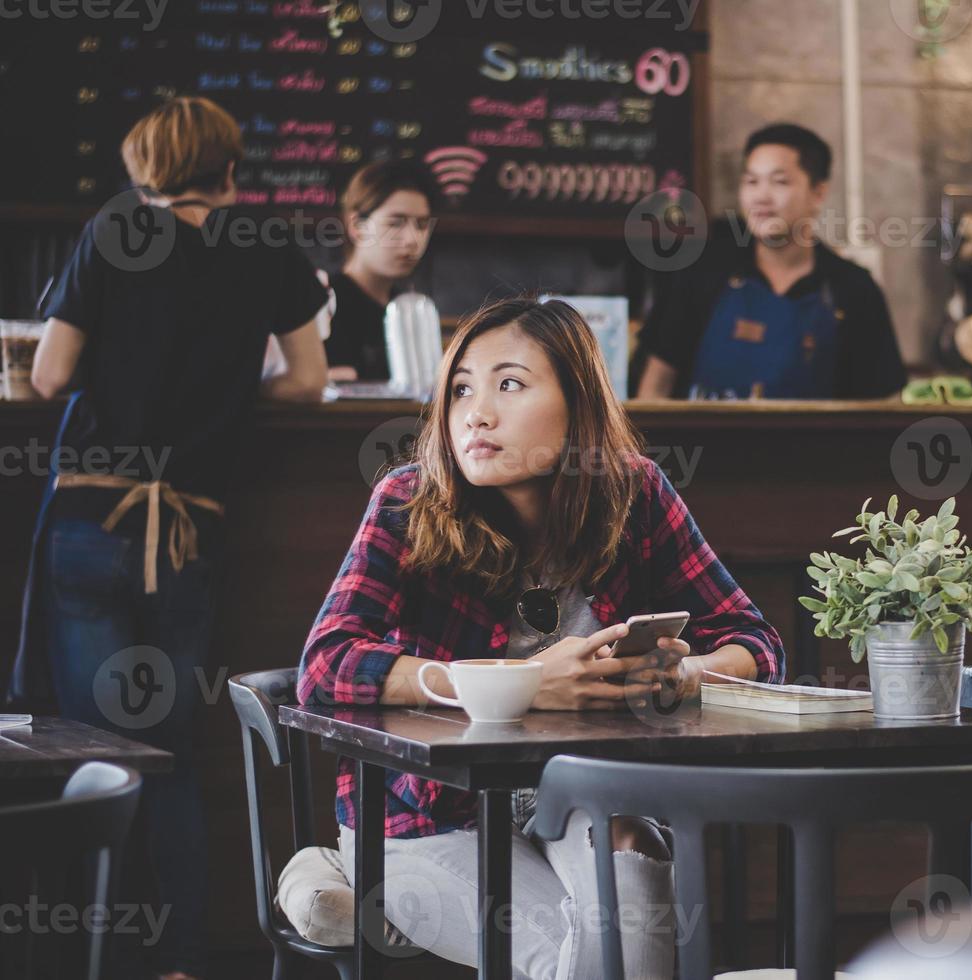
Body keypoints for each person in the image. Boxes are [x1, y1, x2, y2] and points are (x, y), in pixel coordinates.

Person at [298, 297, 784, 976]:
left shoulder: (635, 493)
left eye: (510, 384)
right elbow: (325, 666)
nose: (477, 412)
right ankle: (342, 862)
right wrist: (514, 683)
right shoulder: (409, 503)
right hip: (426, 817)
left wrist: (685, 674)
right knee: (580, 963)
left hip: (584, 795)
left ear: (577, 402)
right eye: (461, 388)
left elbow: (755, 642)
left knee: (633, 884)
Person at [9, 97, 329, 980]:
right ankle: (183, 963)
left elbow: (51, 373)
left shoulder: (115, 228)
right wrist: (226, 395)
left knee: (92, 748)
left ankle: (88, 958)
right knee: (175, 751)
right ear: (230, 170)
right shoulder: (265, 245)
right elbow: (307, 380)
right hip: (192, 527)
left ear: (142, 168)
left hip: (89, 519)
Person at [634, 123, 907, 400]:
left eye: (780, 182)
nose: (761, 197)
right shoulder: (701, 274)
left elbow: (884, 404)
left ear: (818, 193)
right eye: (751, 181)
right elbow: (655, 389)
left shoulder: (854, 289)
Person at [324, 159, 436, 382]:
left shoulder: (410, 309)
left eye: (422, 225)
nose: (413, 240)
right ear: (357, 226)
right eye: (396, 223)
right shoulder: (322, 301)